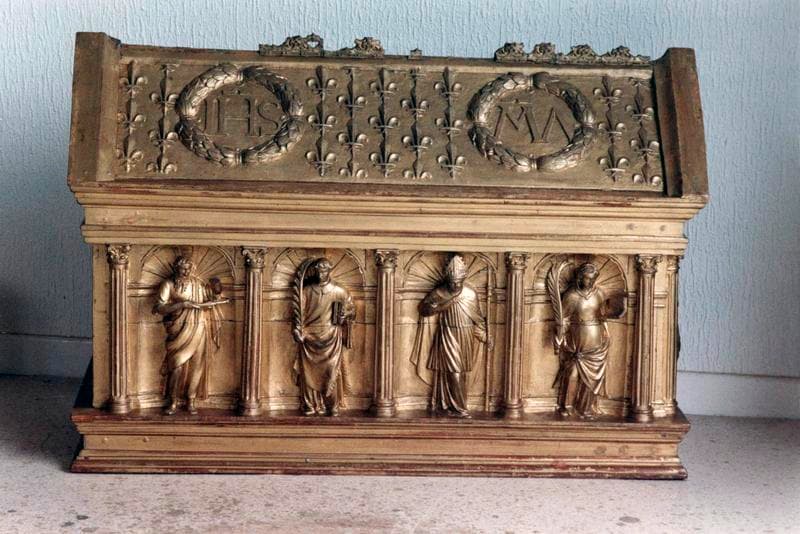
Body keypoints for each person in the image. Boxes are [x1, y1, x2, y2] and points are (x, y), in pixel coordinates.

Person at [411, 255, 492, 418]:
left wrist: (485, 335)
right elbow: (423, 310)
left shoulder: (470, 294)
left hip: (466, 335)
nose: (455, 285)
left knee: (460, 372)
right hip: (447, 334)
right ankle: (460, 409)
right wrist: (439, 306)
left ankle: (447, 405)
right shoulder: (440, 292)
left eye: (458, 282)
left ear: (463, 279)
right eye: (452, 282)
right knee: (454, 372)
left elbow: (477, 317)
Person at [153, 256, 224, 415]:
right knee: (176, 365)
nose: (186, 272)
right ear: (176, 268)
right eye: (183, 269)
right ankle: (173, 400)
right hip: (178, 329)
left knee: (197, 365)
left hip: (199, 327)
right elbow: (159, 307)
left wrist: (217, 289)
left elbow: (211, 299)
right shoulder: (169, 284)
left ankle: (191, 399)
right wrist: (182, 304)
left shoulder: (197, 284)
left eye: (188, 269)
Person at [554, 262, 623, 418]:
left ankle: (585, 408)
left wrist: (608, 329)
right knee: (572, 373)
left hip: (596, 340)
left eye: (593, 279)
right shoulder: (572, 295)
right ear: (580, 277)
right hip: (577, 340)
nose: (590, 282)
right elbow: (564, 319)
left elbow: (604, 315)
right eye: (587, 278)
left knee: (593, 378)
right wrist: (560, 336)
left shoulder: (599, 294)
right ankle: (567, 406)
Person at [292, 258, 355, 416]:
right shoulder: (307, 290)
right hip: (309, 337)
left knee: (331, 372)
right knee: (308, 373)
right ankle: (310, 405)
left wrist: (345, 315)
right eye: (318, 271)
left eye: (324, 270)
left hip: (331, 336)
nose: (320, 274)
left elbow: (351, 310)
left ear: (329, 271)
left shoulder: (339, 291)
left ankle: (332, 406)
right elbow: (298, 313)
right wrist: (298, 330)